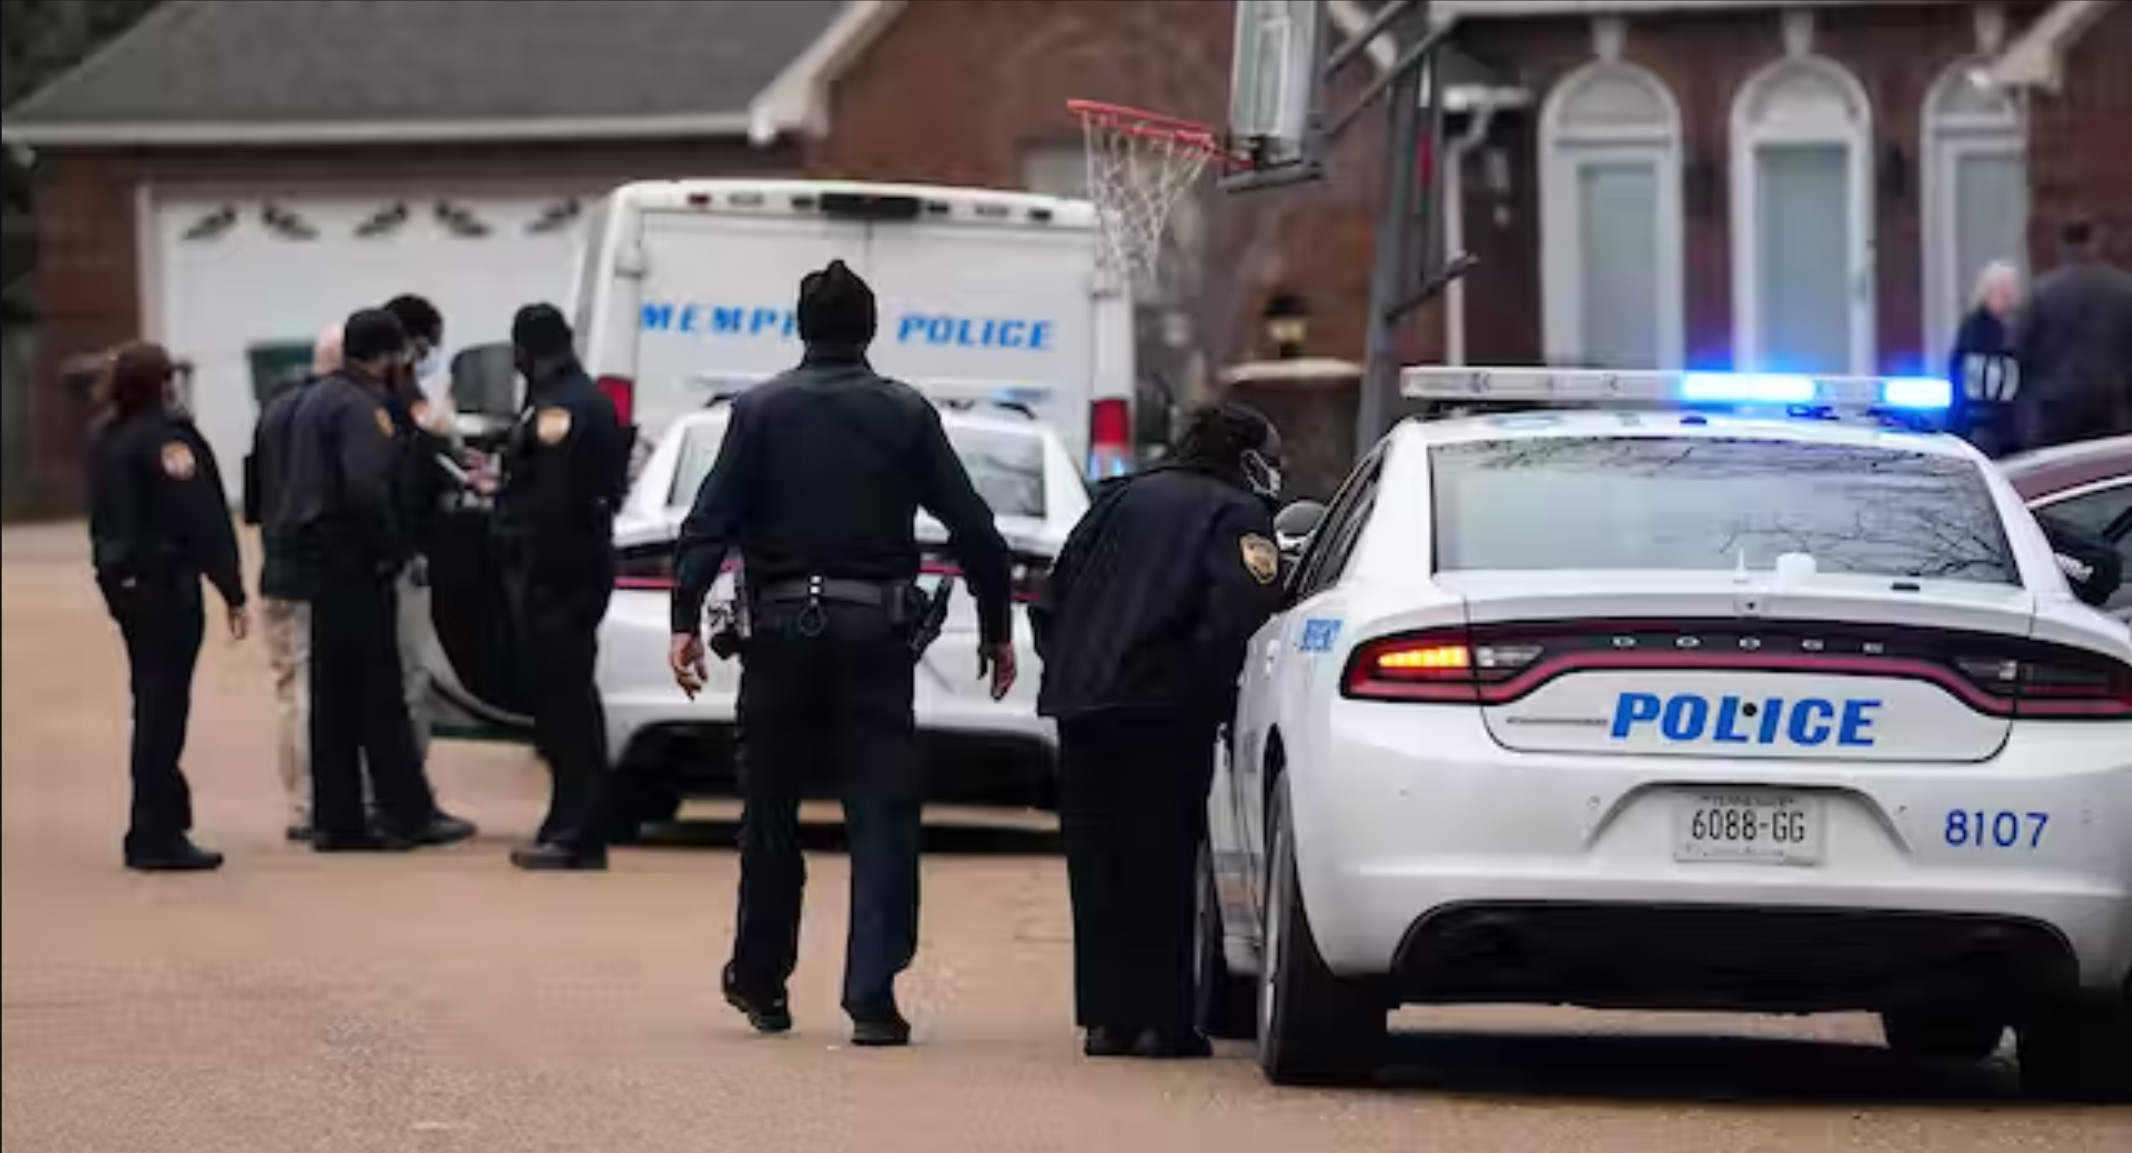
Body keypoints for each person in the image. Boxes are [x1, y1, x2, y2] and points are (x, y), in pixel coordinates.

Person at [668, 259, 1017, 1047]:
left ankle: (761, 979)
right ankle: (872, 994)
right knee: (882, 812)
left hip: (780, 633)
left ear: (800, 327)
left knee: (769, 812)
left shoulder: (757, 412)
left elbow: (708, 519)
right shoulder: (904, 413)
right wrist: (997, 627)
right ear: (870, 328)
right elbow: (973, 527)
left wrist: (684, 617)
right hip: (876, 637)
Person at [1030, 402, 1290, 1060]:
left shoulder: (1117, 500)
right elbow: (1239, 609)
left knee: (1098, 863)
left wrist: (1069, 669)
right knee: (1163, 859)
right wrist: (1210, 692)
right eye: (1271, 457)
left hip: (1082, 704)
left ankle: (1105, 1017)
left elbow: (1052, 596)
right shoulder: (1238, 514)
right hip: (1163, 708)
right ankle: (1163, 1019)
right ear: (1246, 456)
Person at [278, 308, 476, 853]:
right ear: (386, 356)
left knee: (332, 699)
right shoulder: (364, 408)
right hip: (358, 564)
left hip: (321, 565)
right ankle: (408, 814)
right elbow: (368, 486)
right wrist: (391, 546)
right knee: (380, 694)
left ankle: (336, 819)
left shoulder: (313, 400)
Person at [86, 342, 250, 872]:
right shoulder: (168, 441)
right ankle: (155, 831)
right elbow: (202, 517)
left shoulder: (107, 436)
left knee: (150, 702)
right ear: (163, 382)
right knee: (164, 710)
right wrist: (231, 589)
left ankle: (159, 820)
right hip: (166, 587)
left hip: (124, 585)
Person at [495, 304, 631, 871]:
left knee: (568, 706)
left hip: (558, 575)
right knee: (561, 705)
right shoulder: (583, 398)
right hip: (573, 571)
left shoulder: (561, 409)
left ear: (527, 352)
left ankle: (579, 830)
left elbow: (554, 501)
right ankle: (567, 819)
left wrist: (534, 573)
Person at [245, 324, 341, 840]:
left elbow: (254, 498)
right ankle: (315, 801)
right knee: (312, 687)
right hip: (315, 569)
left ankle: (300, 801)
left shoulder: (275, 409)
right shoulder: (336, 411)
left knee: (290, 689)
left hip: (276, 566)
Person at [380, 294, 449, 766]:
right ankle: (406, 797)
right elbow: (420, 467)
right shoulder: (403, 400)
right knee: (410, 679)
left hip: (368, 560)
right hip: (399, 557)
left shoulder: (351, 395)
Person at [2014, 217, 2132, 451]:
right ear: (2095, 244)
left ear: (2062, 246)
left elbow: (2021, 348)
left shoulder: (2043, 292)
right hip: (2111, 403)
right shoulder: (2124, 290)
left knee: (2058, 475)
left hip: (2055, 405)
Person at [1946, 261, 2024, 458]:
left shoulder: (2017, 326)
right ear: (1989, 292)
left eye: (2012, 291)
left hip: (2008, 425)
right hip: (1981, 422)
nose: (2010, 298)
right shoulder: (1976, 329)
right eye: (2004, 292)